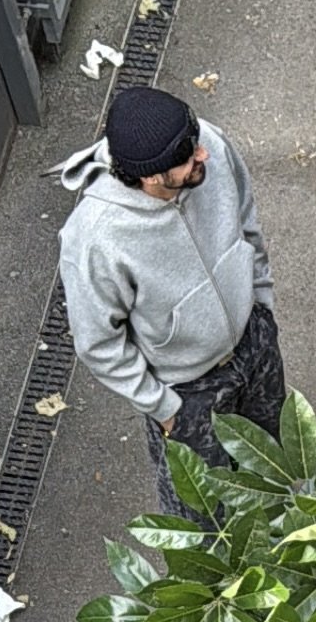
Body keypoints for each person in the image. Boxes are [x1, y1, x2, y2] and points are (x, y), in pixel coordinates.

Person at [56, 85, 284, 511]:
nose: (203, 156)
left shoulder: (205, 143)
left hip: (255, 344)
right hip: (188, 389)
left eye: (195, 144)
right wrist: (163, 407)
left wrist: (262, 305)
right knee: (202, 514)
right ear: (149, 176)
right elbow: (97, 342)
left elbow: (247, 220)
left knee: (276, 467)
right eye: (186, 158)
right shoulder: (96, 239)